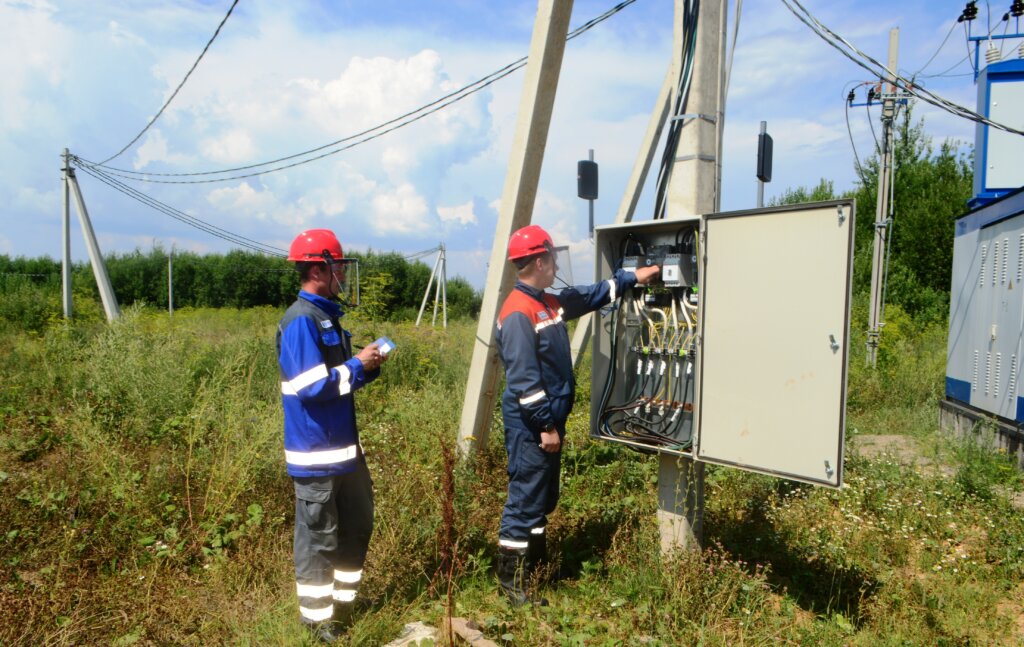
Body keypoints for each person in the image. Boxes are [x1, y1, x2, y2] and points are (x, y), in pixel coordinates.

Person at [494, 224, 659, 606]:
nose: (556, 264)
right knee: (523, 502)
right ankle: (512, 587)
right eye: (552, 257)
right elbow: (525, 381)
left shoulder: (544, 303)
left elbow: (587, 296)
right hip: (532, 425)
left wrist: (633, 276)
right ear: (540, 260)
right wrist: (546, 426)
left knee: (541, 499)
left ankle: (536, 569)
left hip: (545, 422)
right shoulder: (520, 311)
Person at [276, 229, 388, 643]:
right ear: (319, 269)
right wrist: (357, 365)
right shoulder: (301, 320)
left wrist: (367, 366)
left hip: (345, 454)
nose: (343, 273)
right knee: (319, 541)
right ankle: (317, 623)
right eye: (338, 266)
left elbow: (338, 382)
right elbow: (313, 387)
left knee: (356, 527)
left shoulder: (326, 317)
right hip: (316, 457)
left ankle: (343, 608)